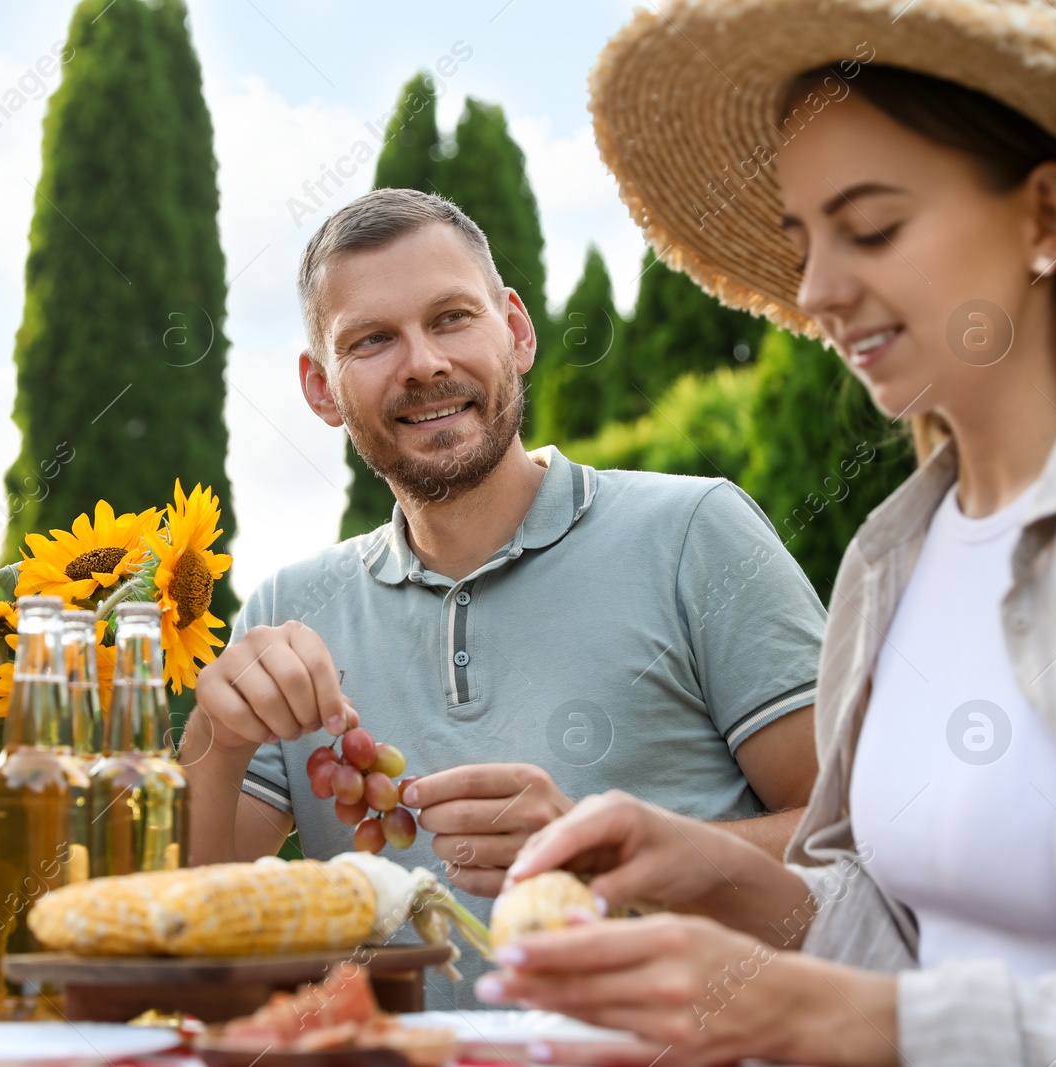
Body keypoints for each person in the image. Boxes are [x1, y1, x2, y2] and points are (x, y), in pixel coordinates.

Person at [480, 0, 1056, 1063]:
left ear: (1044, 216)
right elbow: (900, 932)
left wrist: (818, 1016)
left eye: (873, 227)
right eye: (801, 240)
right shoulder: (895, 552)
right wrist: (719, 873)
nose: (815, 292)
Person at [178, 187, 828, 1005]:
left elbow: (862, 847)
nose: (423, 363)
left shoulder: (695, 531)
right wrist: (216, 735)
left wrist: (603, 852)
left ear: (516, 330)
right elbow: (188, 932)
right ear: (320, 389)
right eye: (373, 339)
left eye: (451, 317)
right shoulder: (288, 606)